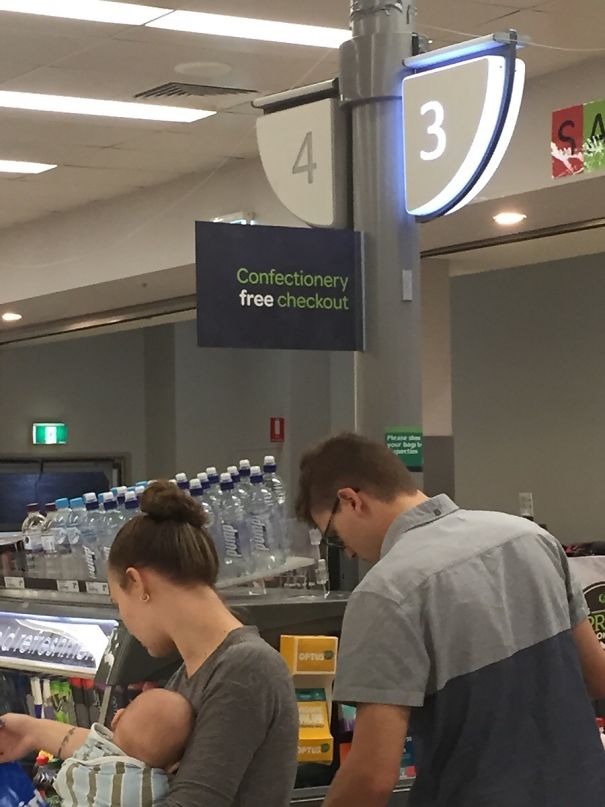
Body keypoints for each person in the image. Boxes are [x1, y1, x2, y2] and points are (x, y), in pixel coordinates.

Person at [295, 432, 605, 807]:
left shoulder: (386, 591)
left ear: (350, 500)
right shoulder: (529, 537)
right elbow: (598, 676)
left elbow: (372, 777)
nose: (345, 549)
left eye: (332, 534)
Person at [0, 481, 299, 807]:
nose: (124, 619)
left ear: (138, 583)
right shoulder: (192, 672)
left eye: (118, 603)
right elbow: (126, 757)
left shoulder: (245, 668)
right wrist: (30, 731)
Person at [54, 689, 194, 807]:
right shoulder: (155, 786)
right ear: (173, 767)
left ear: (116, 718)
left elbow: (61, 782)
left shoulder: (84, 757)